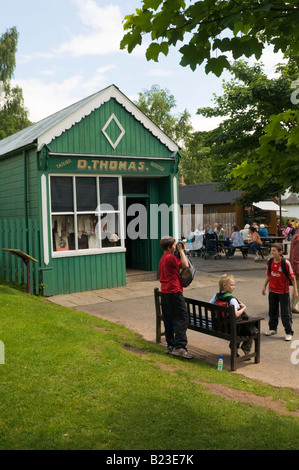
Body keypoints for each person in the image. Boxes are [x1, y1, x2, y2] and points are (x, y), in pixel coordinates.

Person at [158, 236, 193, 359]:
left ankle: (171, 345)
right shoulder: (170, 258)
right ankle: (180, 347)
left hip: (165, 291)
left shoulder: (163, 258)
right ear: (169, 247)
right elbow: (185, 265)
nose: (175, 247)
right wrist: (182, 251)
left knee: (169, 319)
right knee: (181, 319)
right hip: (174, 291)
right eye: (174, 245)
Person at [209, 274, 253, 356]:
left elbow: (209, 307)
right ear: (224, 286)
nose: (234, 287)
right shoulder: (232, 299)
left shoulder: (216, 296)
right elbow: (236, 314)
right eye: (232, 285)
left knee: (240, 327)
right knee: (252, 328)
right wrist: (244, 307)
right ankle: (246, 347)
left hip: (219, 326)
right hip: (230, 328)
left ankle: (235, 349)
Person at [262, 243, 298, 341]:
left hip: (283, 292)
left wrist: (295, 291)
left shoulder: (286, 263)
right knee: (272, 311)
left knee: (285, 313)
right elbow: (269, 275)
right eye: (271, 250)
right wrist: (264, 286)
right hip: (272, 290)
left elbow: (292, 277)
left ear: (280, 252)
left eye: (274, 250)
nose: (271, 252)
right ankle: (273, 328)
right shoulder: (269, 262)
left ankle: (289, 332)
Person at [290, 229, 299, 313]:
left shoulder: (296, 235)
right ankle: (293, 306)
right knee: (297, 289)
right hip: (297, 268)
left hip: (295, 267)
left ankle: (293, 305)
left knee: (297, 288)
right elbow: (296, 257)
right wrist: (297, 269)